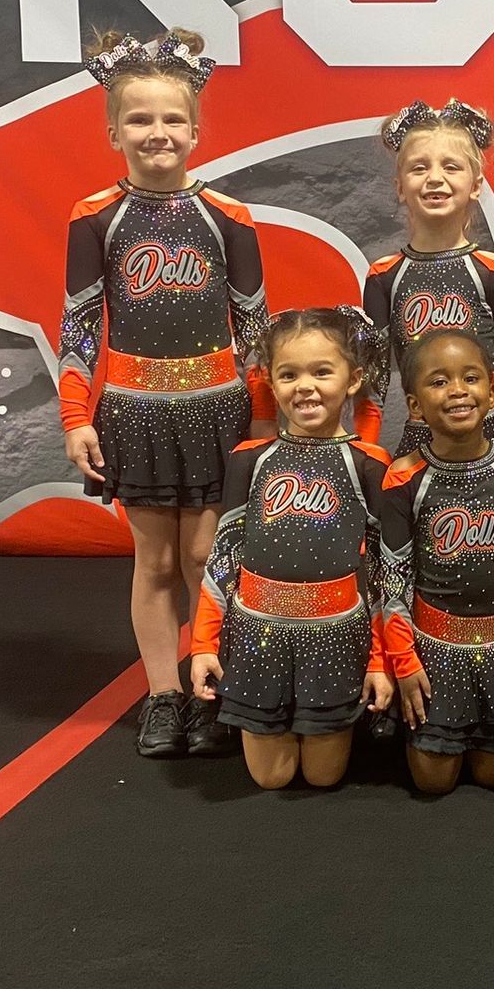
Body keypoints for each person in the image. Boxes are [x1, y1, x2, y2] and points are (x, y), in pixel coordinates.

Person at [60, 29, 274, 760]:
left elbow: (255, 332)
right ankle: (161, 695)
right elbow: (82, 322)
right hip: (135, 412)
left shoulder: (228, 217)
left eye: (172, 119)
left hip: (218, 408)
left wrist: (266, 420)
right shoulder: (94, 218)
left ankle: (209, 685)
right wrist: (74, 417)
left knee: (207, 557)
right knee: (153, 563)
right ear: (113, 129)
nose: (158, 133)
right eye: (141, 120)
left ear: (196, 127)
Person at [188, 308, 395, 789]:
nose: (305, 386)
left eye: (322, 371)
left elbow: (387, 572)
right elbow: (222, 559)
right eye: (289, 374)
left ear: (353, 379)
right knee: (271, 779)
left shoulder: (369, 464)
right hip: (258, 634)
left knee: (324, 778)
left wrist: (379, 660)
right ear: (271, 383)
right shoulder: (249, 460)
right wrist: (202, 645)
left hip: (335, 637)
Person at [378, 332, 494, 795]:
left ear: (492, 392)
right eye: (439, 382)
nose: (458, 390)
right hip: (435, 648)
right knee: (433, 782)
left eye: (470, 377)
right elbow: (393, 578)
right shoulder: (403, 479)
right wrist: (404, 661)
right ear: (416, 407)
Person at [355, 99, 494, 499]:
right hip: (424, 434)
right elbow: (374, 381)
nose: (435, 178)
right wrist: (364, 452)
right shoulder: (384, 277)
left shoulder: (492, 271)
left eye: (451, 167)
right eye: (419, 168)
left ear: (476, 184)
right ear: (400, 186)